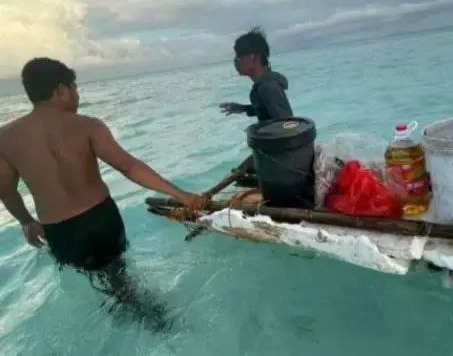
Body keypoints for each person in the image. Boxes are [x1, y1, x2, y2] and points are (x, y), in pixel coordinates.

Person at [0, 57, 206, 330]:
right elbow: (129, 167)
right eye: (75, 88)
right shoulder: (88, 125)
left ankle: (126, 316)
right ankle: (155, 317)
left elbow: (6, 191)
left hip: (61, 231)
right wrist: (181, 195)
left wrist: (26, 221)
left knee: (94, 282)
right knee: (119, 273)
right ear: (60, 90)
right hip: (102, 220)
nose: (77, 94)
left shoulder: (6, 138)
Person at [219, 27, 294, 175]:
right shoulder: (264, 85)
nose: (235, 60)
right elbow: (267, 110)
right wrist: (244, 108)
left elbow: (287, 127)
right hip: (274, 152)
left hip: (282, 159)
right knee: (240, 173)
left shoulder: (268, 87)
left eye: (240, 55)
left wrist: (260, 160)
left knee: (240, 174)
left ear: (254, 57)